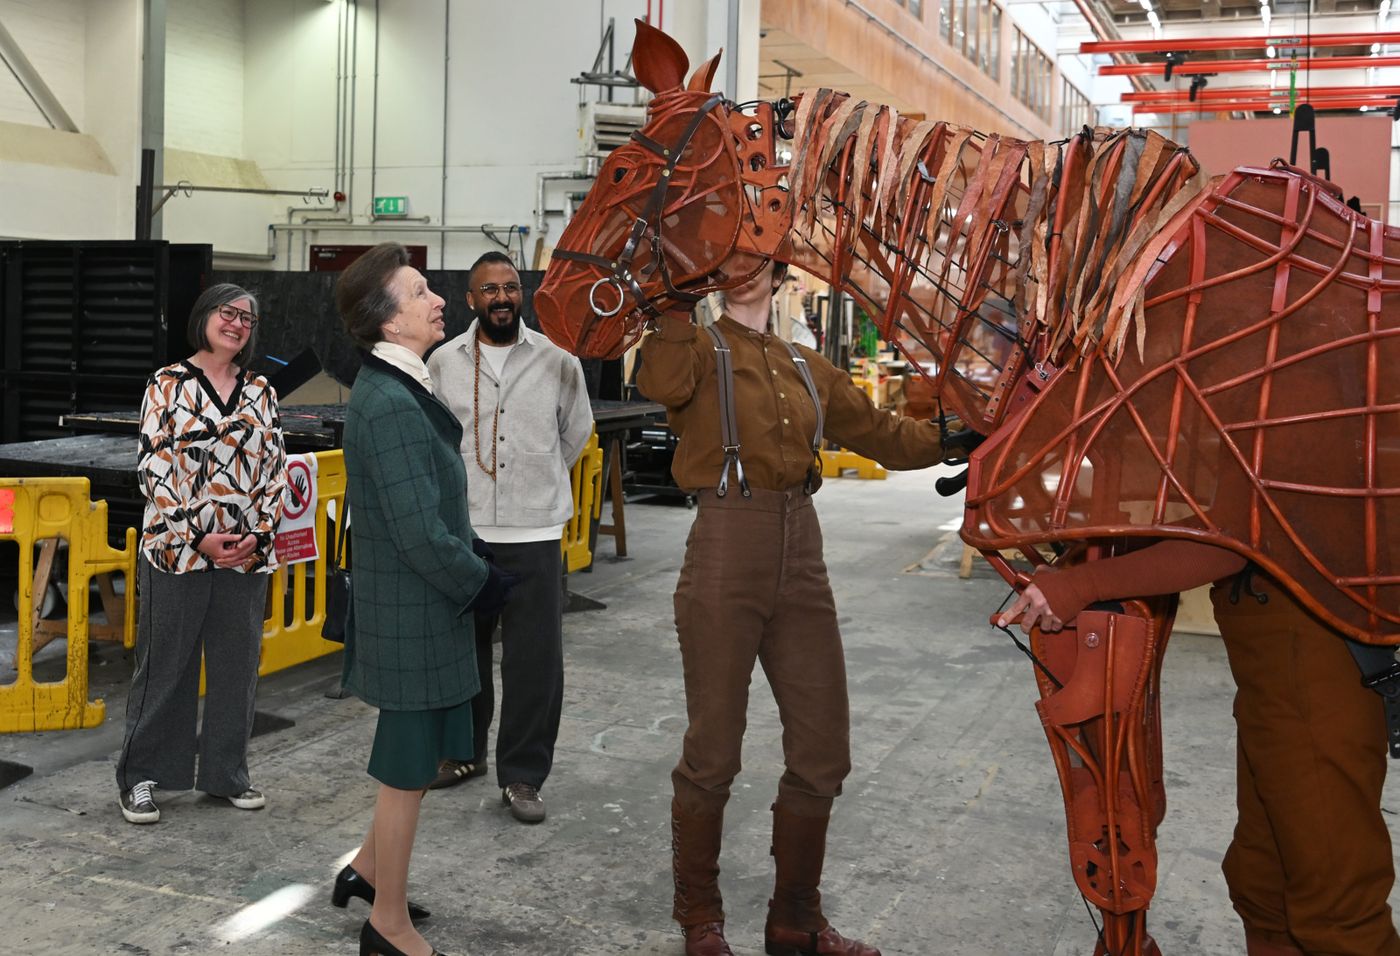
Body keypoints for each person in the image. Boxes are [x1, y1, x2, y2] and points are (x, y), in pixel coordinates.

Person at [637, 258, 946, 956]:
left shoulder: (807, 364)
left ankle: (795, 918)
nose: (745, 271)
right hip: (725, 540)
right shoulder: (693, 344)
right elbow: (659, 383)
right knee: (713, 751)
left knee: (823, 749)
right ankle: (699, 916)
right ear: (715, 272)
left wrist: (960, 433)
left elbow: (887, 437)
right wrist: (675, 306)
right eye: (732, 259)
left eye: (759, 260)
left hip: (801, 547)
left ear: (780, 273)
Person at [1000, 540, 1400, 956]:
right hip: (1277, 671)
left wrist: (1082, 584)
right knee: (1263, 883)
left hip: (1317, 656)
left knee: (1335, 903)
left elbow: (1235, 538)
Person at [330, 243, 518, 956]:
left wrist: (475, 557)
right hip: (412, 609)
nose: (438, 298)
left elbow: (429, 506)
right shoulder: (386, 403)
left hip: (422, 604)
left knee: (416, 754)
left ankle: (366, 872)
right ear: (387, 320)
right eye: (418, 293)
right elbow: (414, 531)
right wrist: (480, 579)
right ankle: (388, 923)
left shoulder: (404, 381)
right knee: (407, 770)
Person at [425, 251, 594, 824]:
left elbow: (575, 431)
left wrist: (535, 479)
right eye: (488, 290)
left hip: (535, 531)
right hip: (465, 532)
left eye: (510, 287)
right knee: (461, 654)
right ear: (470, 300)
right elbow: (435, 443)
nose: (501, 297)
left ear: (521, 295)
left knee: (534, 662)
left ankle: (522, 776)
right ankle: (461, 755)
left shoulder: (558, 362)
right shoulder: (443, 362)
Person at [116, 284, 287, 825]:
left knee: (237, 668)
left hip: (244, 555)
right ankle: (140, 778)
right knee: (166, 666)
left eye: (247, 319)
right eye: (227, 312)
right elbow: (153, 467)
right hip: (176, 551)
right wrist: (196, 535)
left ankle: (225, 775)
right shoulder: (166, 385)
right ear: (204, 316)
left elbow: (275, 469)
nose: (236, 324)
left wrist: (258, 535)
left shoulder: (261, 389)